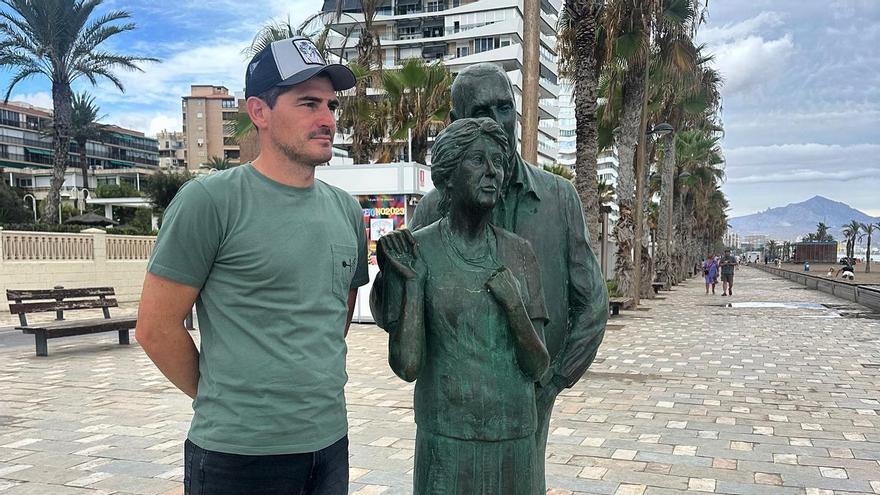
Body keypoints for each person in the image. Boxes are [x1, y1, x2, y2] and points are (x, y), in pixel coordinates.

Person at [135, 37, 368, 494]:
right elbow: (155, 328)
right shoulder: (211, 202)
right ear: (259, 112)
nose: (327, 119)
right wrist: (227, 402)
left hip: (329, 446)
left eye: (331, 105)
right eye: (308, 103)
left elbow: (336, 309)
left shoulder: (346, 210)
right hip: (237, 457)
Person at [374, 62, 608, 492]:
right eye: (482, 111)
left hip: (528, 397)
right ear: (455, 122)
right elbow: (403, 323)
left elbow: (592, 304)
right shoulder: (432, 210)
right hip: (450, 413)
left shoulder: (558, 198)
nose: (498, 121)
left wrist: (553, 382)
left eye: (505, 108)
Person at [376, 118, 550, 494]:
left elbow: (538, 366)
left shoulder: (519, 254)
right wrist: (413, 284)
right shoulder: (416, 252)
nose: (492, 172)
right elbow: (407, 367)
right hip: (446, 438)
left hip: (514, 434)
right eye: (476, 160)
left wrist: (515, 308)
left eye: (498, 162)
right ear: (448, 175)